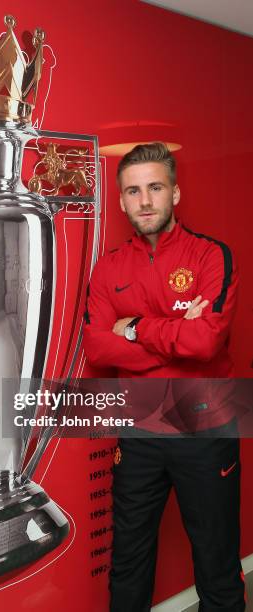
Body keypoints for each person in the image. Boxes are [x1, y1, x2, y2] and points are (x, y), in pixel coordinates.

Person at [83, 142, 245, 612]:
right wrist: (178, 337)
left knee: (216, 562)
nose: (145, 201)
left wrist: (134, 328)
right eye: (133, 191)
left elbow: (207, 344)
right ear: (121, 201)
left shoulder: (212, 256)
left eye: (155, 187)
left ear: (175, 193)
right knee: (129, 563)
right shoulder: (109, 266)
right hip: (139, 434)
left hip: (207, 429)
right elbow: (98, 348)